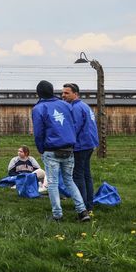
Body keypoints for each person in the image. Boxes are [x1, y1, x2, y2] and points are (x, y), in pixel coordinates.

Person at [32, 80, 90, 222]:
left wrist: (41, 149)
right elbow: (72, 124)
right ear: (52, 91)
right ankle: (82, 211)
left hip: (51, 149)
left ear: (38, 93)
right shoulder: (66, 105)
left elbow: (38, 132)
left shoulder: (39, 108)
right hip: (69, 148)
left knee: (52, 183)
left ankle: (57, 214)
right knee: (69, 180)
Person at [63, 83, 99, 211]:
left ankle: (82, 206)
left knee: (78, 175)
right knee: (86, 174)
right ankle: (89, 204)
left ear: (75, 94)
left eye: (67, 93)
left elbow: (75, 127)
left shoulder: (76, 108)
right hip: (90, 143)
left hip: (81, 145)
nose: (63, 95)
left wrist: (67, 142)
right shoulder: (85, 106)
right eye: (63, 92)